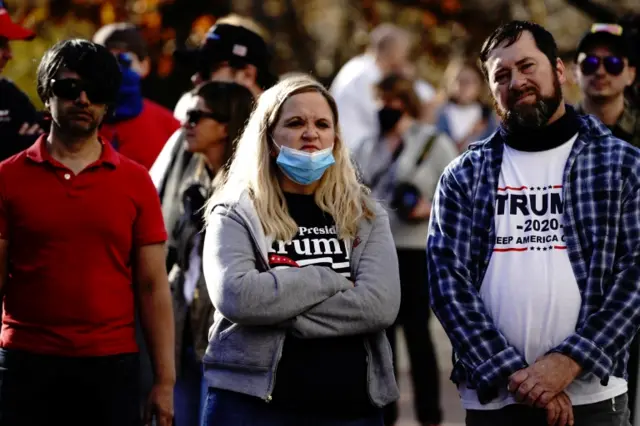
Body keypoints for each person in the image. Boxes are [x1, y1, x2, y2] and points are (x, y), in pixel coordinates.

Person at [427, 20, 640, 426]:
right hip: (495, 401)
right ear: (491, 90)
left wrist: (569, 362)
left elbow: (635, 276)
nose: (517, 81)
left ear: (558, 70)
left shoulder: (622, 165)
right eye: (501, 75)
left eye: (527, 66)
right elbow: (447, 286)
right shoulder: (462, 177)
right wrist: (518, 377)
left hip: (593, 397)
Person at [200, 74, 400, 426]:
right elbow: (238, 297)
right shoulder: (235, 211)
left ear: (335, 139)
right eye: (295, 123)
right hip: (249, 408)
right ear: (269, 138)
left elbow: (379, 305)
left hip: (350, 408)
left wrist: (276, 307)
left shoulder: (365, 215)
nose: (311, 133)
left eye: (322, 124)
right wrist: (329, 279)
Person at [0, 39, 175, 426]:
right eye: (69, 88)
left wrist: (165, 382)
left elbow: (152, 287)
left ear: (108, 102)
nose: (82, 99)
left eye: (96, 91)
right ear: (46, 95)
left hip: (110, 367)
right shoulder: (7, 177)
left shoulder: (136, 181)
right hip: (25, 365)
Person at [353, 73, 457, 426]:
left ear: (406, 103)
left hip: (415, 249)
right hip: (376, 251)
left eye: (392, 100)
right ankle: (387, 414)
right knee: (381, 337)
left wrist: (426, 208)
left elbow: (457, 196)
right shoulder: (367, 146)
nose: (385, 107)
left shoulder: (432, 143)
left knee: (417, 333)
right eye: (380, 100)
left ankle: (430, 415)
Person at [151, 19, 276, 269]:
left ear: (247, 75)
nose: (196, 79)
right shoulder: (186, 138)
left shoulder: (285, 146)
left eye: (207, 70)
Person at [170, 81, 254, 426]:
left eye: (195, 115)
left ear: (225, 125)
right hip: (184, 337)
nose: (185, 124)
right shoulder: (193, 180)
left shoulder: (250, 192)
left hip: (223, 346)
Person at [93, 22, 181, 169]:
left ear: (145, 66)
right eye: (105, 61)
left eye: (124, 60)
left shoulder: (170, 127)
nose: (114, 69)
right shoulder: (77, 121)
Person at [330, 23, 412, 152]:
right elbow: (382, 121)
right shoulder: (368, 75)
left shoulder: (359, 66)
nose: (405, 59)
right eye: (403, 52)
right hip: (354, 149)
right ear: (393, 52)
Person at [574, 23, 638, 148]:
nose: (600, 72)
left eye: (613, 63)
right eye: (590, 63)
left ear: (631, 74)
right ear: (575, 72)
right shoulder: (556, 132)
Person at [0, 0, 43, 161]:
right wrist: (11, 150)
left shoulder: (8, 94)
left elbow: (40, 132)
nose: (9, 55)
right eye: (1, 44)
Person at [432, 58, 498, 152]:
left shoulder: (488, 116)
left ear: (480, 85)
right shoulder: (439, 112)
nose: (463, 86)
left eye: (469, 82)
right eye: (458, 80)